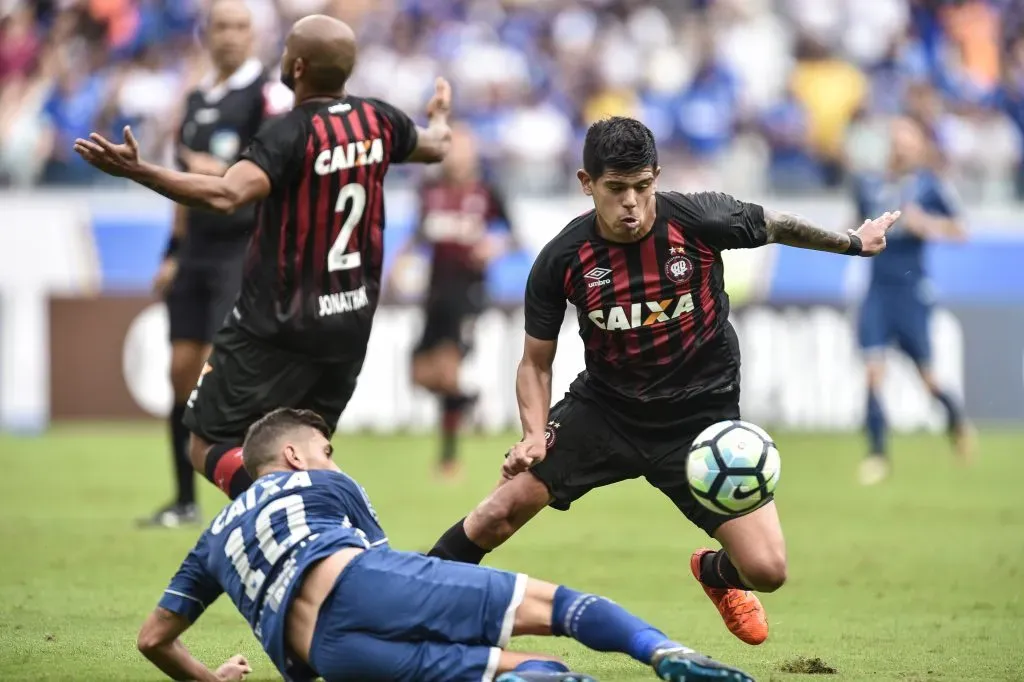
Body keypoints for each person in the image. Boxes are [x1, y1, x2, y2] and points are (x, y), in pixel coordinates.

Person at [426, 116, 899, 647]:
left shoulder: (697, 219)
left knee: (767, 570)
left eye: (642, 186)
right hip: (606, 412)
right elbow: (535, 362)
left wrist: (853, 244)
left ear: (656, 176)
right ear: (587, 184)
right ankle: (408, 603)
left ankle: (714, 573)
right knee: (497, 513)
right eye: (615, 188)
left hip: (700, 425)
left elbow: (780, 225)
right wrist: (534, 434)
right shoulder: (563, 258)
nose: (631, 201)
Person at [73, 15, 452, 501]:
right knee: (304, 449)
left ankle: (302, 510)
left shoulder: (288, 134)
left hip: (275, 326)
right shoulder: (378, 119)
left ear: (295, 66)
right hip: (348, 324)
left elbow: (227, 194)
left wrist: (139, 170)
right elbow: (436, 145)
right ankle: (327, 538)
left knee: (206, 443)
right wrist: (439, 115)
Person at [136, 407, 755, 682]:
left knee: (533, 672)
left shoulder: (213, 538)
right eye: (325, 450)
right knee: (562, 609)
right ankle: (666, 653)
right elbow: (388, 570)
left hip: (331, 660)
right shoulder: (323, 485)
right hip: (361, 587)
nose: (330, 460)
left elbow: (153, 639)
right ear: (294, 456)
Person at [142, 0, 282, 528]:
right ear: (207, 33)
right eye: (222, 26)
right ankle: (183, 501)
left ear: (253, 35)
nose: (231, 36)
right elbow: (182, 188)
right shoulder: (198, 98)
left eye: (241, 27)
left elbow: (271, 172)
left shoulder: (265, 96)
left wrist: (221, 171)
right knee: (179, 373)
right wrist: (172, 253)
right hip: (196, 251)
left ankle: (252, 495)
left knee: (221, 374)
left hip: (242, 249)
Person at [854, 116, 975, 486]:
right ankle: (877, 455)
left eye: (907, 139)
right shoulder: (868, 184)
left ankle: (957, 421)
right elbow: (855, 225)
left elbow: (961, 230)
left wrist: (929, 225)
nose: (900, 145)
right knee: (873, 371)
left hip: (910, 291)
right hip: (877, 288)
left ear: (919, 146)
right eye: (896, 138)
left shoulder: (929, 186)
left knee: (927, 378)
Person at [401, 124, 514, 478]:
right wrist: (402, 259)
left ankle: (449, 458)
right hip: (434, 294)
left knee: (448, 370)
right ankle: (467, 401)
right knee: (420, 376)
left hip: (468, 293)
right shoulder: (429, 190)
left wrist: (494, 247)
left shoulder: (487, 191)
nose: (457, 157)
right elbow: (421, 233)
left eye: (463, 149)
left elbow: (512, 234)